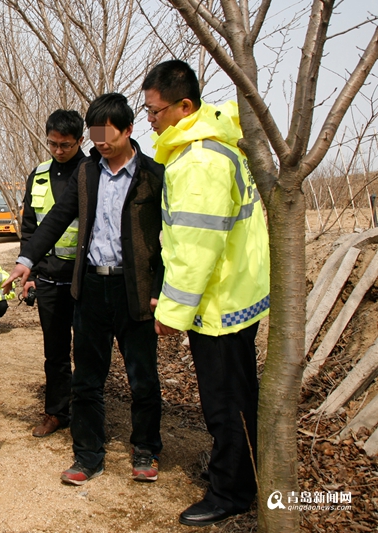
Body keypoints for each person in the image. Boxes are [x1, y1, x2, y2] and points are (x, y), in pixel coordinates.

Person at [3, 93, 164, 485]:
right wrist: (26, 261)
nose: (100, 141)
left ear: (128, 129)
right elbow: (58, 216)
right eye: (95, 134)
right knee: (87, 378)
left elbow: (168, 239)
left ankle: (144, 449)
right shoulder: (88, 173)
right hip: (91, 286)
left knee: (142, 375)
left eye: (107, 133)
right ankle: (87, 454)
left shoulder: (153, 174)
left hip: (135, 288)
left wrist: (165, 289)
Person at [142, 60, 269, 527]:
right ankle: (243, 476)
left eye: (155, 110)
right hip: (234, 295)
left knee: (225, 401)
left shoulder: (199, 161)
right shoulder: (211, 147)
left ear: (185, 106)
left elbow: (195, 248)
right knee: (237, 394)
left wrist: (172, 312)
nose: (150, 119)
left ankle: (231, 491)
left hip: (220, 304)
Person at [21, 109, 86, 438]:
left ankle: (88, 415)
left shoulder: (91, 172)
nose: (58, 150)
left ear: (80, 141)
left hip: (85, 279)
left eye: (65, 145)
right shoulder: (40, 175)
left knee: (87, 351)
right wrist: (29, 272)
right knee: (55, 351)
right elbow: (30, 227)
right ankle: (57, 412)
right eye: (52, 144)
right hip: (48, 279)